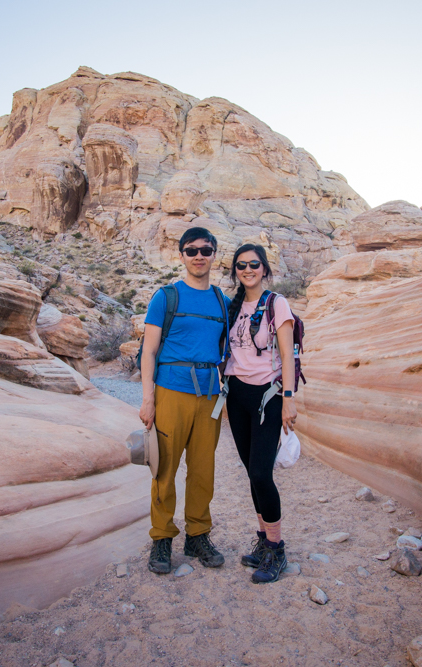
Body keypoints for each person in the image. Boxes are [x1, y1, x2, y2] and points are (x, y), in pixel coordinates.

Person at [139, 227, 231, 574]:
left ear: (213, 254)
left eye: (205, 250)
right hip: (170, 393)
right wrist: (148, 399)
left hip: (208, 397)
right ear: (181, 256)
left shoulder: (221, 301)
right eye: (191, 250)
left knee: (203, 471)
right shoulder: (166, 297)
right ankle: (162, 538)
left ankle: (198, 535)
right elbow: (149, 351)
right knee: (164, 468)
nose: (198, 256)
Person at [223, 243, 298, 584]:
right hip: (237, 395)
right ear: (235, 271)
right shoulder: (233, 305)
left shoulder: (276, 304)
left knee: (261, 473)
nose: (248, 269)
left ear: (265, 268)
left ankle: (277, 549)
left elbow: (288, 355)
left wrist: (289, 398)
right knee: (251, 473)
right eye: (241, 265)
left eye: (254, 264)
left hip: (267, 396)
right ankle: (263, 541)